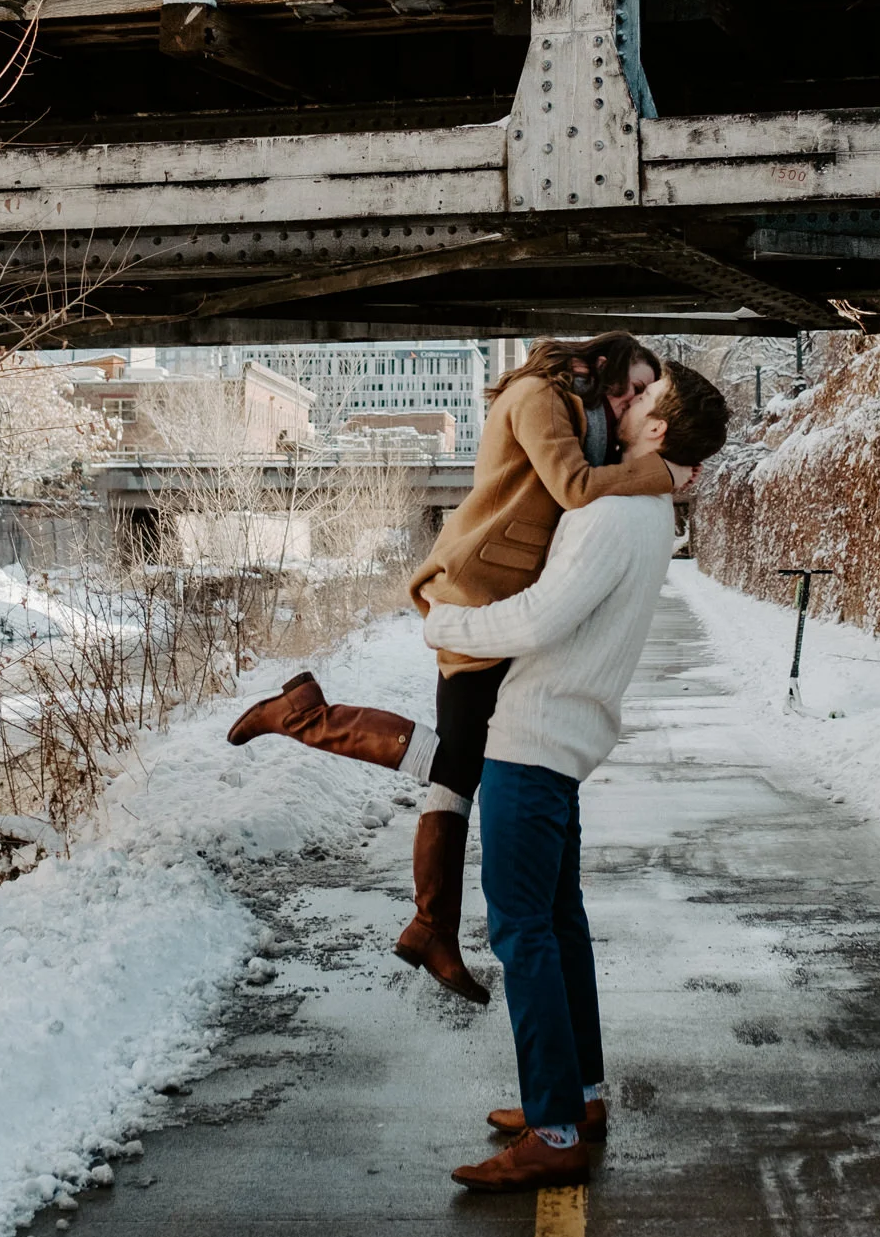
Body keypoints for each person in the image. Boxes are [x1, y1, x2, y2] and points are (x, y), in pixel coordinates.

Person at [225, 336, 682, 1004]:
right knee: (461, 762)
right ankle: (306, 719)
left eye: (642, 395)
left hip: (506, 595)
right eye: (628, 388)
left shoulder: (583, 415)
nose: (631, 402)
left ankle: (430, 925)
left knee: (460, 765)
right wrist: (663, 473)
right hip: (478, 591)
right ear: (598, 366)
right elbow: (574, 488)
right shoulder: (537, 397)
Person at [433, 359, 730, 1193]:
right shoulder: (648, 509)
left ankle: (554, 1133)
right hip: (564, 736)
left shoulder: (613, 511)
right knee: (557, 926)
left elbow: (539, 616)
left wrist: (443, 621)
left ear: (659, 430)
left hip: (533, 737)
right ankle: (579, 1097)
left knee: (522, 933)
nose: (626, 403)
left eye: (643, 399)